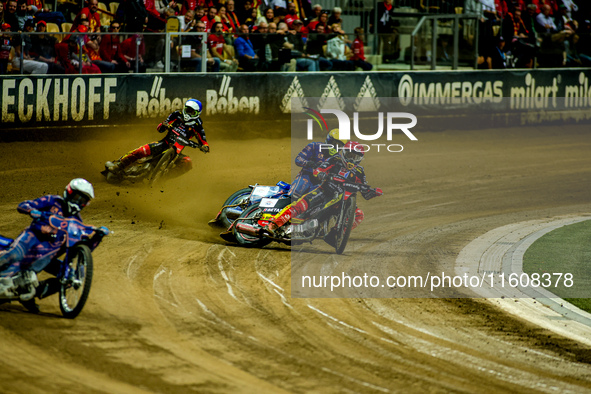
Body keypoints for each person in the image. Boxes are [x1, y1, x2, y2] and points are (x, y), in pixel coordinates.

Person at [0, 179, 100, 300]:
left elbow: (82, 250)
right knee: (13, 255)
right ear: (69, 192)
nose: (78, 202)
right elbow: (23, 205)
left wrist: (97, 237)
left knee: (70, 277)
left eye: (82, 200)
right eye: (77, 197)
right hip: (31, 241)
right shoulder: (53, 200)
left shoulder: (77, 221)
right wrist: (33, 211)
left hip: (48, 256)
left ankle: (33, 292)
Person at [265, 141, 383, 238]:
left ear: (360, 159)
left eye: (356, 157)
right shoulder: (335, 160)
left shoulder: (360, 172)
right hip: (324, 191)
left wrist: (374, 192)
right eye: (350, 156)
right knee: (301, 205)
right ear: (344, 153)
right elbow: (319, 169)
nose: (352, 160)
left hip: (341, 200)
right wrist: (320, 173)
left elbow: (365, 193)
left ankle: (336, 234)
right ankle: (273, 224)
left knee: (358, 214)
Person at [105, 99, 209, 176]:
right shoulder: (176, 115)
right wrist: (164, 125)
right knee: (142, 150)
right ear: (184, 108)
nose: (189, 113)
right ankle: (119, 165)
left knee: (187, 163)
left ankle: (164, 178)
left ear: (197, 114)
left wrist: (205, 147)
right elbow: (160, 128)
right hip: (164, 144)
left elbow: (203, 141)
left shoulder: (197, 125)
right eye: (188, 110)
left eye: (192, 112)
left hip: (177, 152)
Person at [289, 128, 347, 199]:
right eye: (335, 144)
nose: (336, 147)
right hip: (306, 176)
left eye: (339, 146)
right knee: (294, 195)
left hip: (321, 183)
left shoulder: (338, 159)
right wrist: (309, 163)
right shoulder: (314, 146)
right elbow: (298, 159)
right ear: (329, 140)